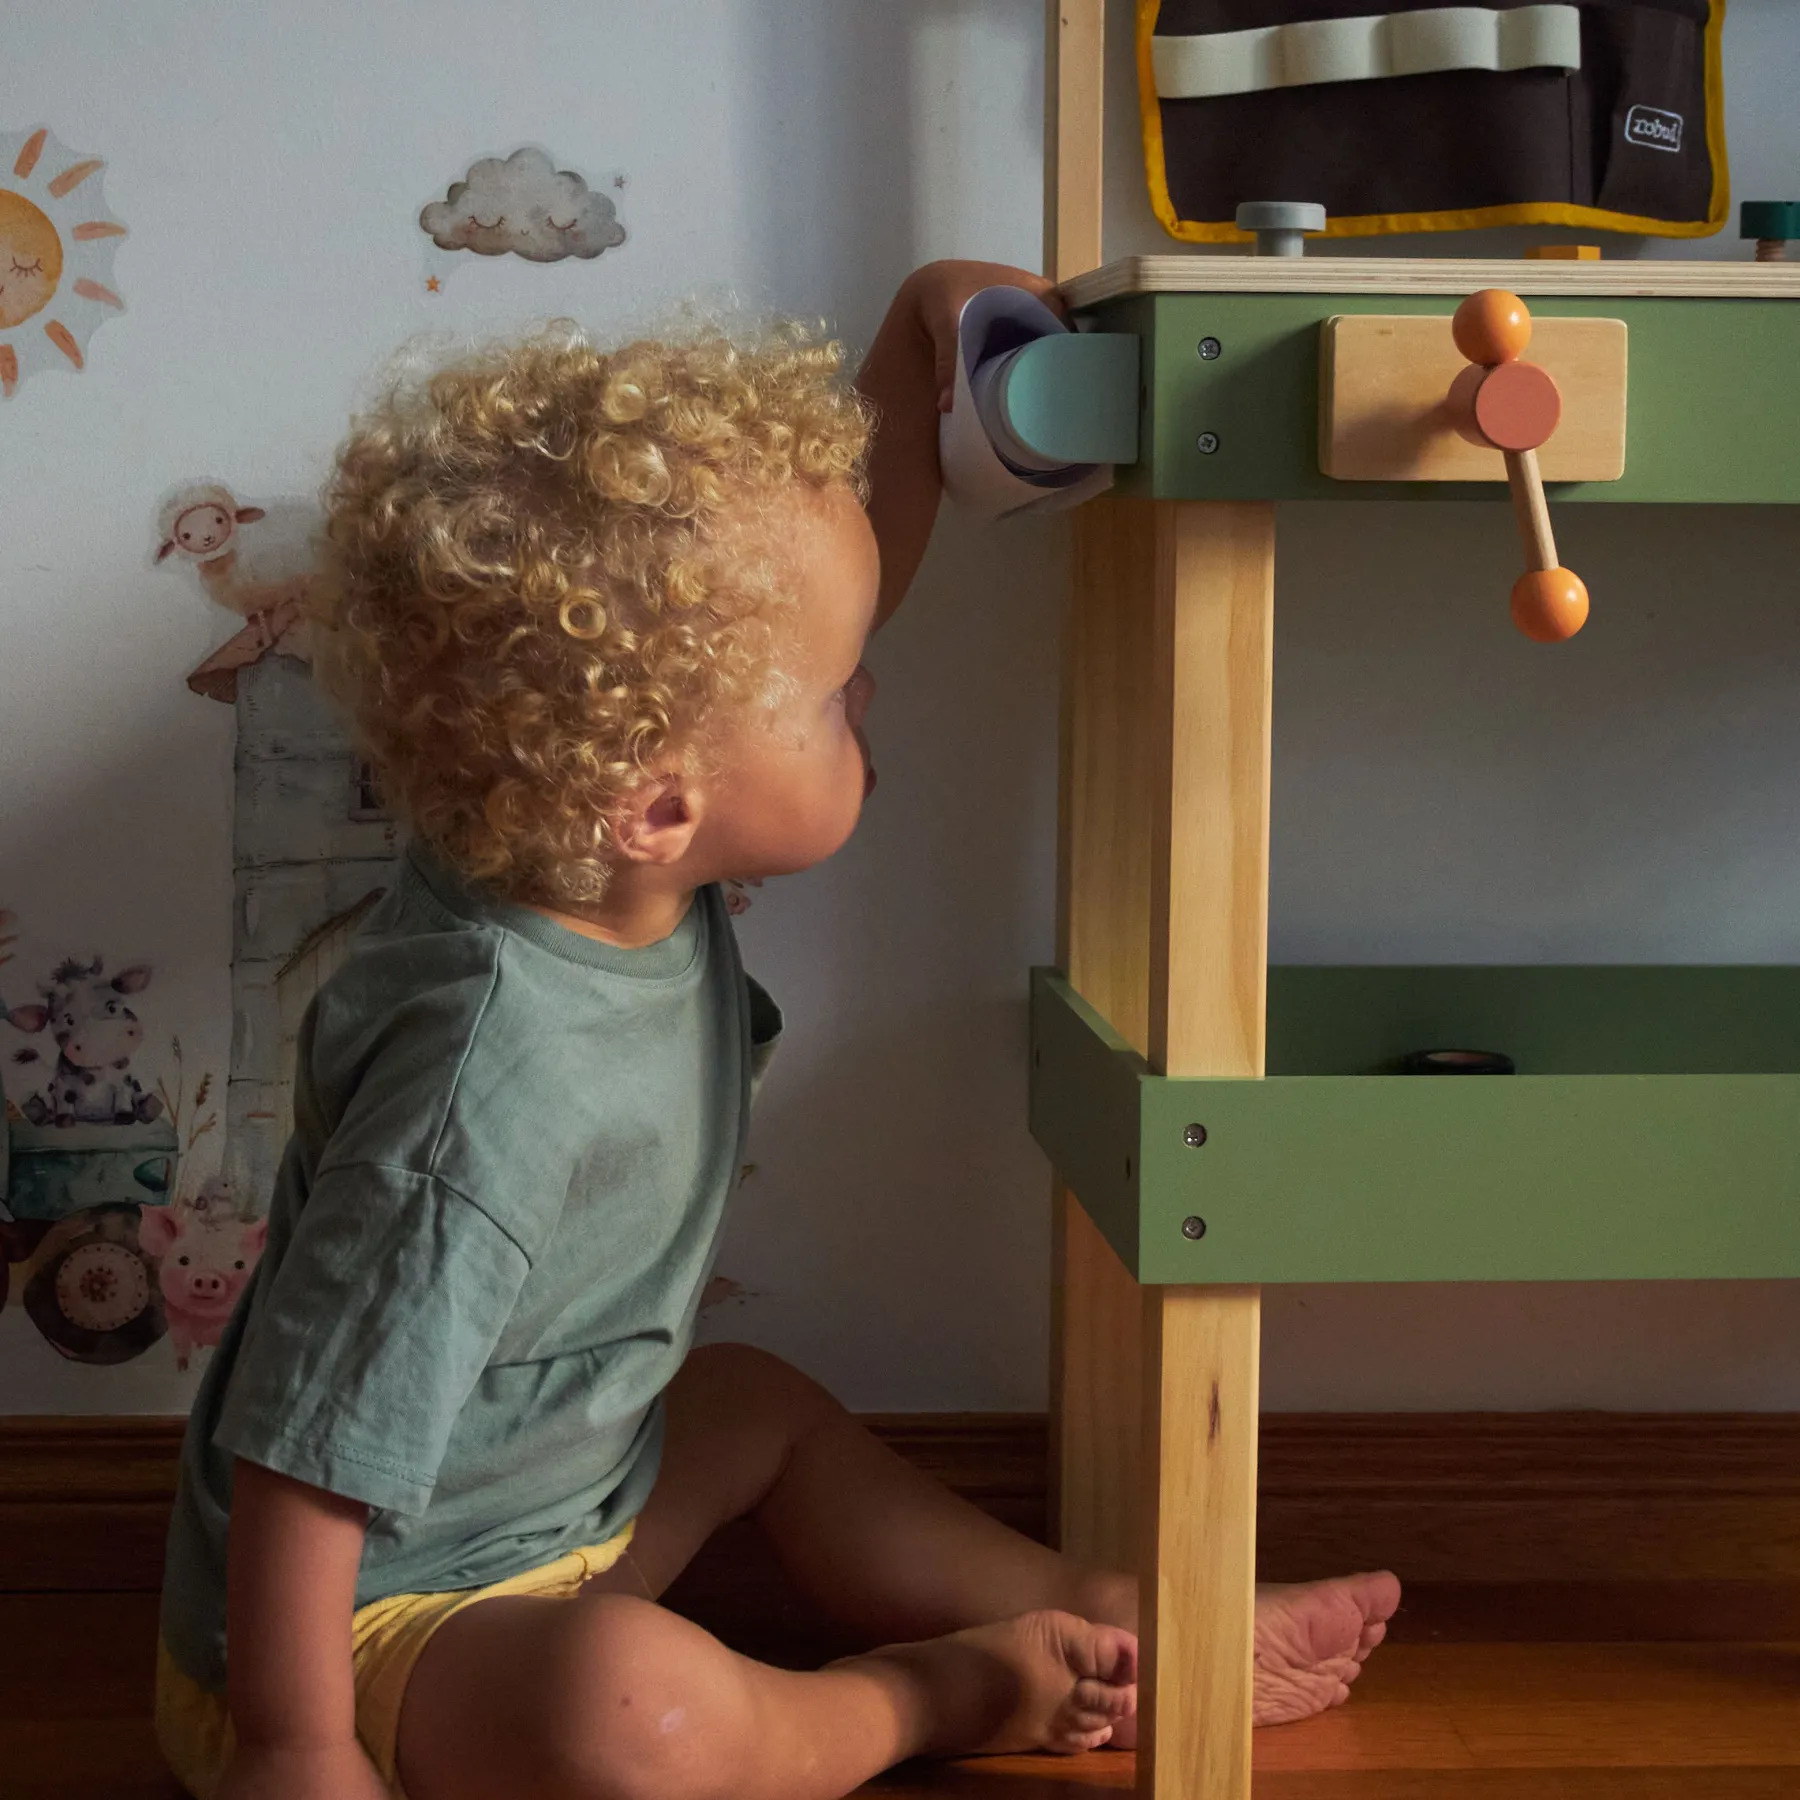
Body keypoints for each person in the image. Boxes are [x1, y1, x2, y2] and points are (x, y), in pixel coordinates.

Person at [154, 260, 1400, 1800]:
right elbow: (304, 1444)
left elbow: (825, 581)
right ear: (663, 797)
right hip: (375, 1631)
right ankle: (933, 1694)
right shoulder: (480, 1086)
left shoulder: (591, 855)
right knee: (635, 1719)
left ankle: (1123, 1612)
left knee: (758, 1410)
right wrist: (292, 1745)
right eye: (828, 700)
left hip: (571, 1510)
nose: (868, 687)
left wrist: (923, 334)